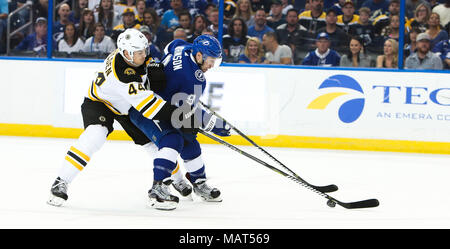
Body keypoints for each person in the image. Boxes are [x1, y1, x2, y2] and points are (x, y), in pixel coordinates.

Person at [47, 28, 192, 208]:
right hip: (99, 102)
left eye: (144, 50)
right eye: (139, 53)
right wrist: (180, 118)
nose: (143, 54)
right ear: (126, 53)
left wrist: (153, 68)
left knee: (152, 143)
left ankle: (176, 179)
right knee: (95, 135)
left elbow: (147, 66)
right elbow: (151, 106)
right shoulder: (123, 74)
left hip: (126, 105)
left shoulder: (130, 54)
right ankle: (61, 181)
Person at [128, 34, 231, 210]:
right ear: (199, 55)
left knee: (190, 141)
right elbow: (187, 111)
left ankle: (199, 184)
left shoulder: (183, 47)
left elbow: (170, 45)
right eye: (211, 60)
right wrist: (214, 124)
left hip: (163, 105)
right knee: (173, 140)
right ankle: (157, 189)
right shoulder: (194, 79)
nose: (212, 65)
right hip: (146, 109)